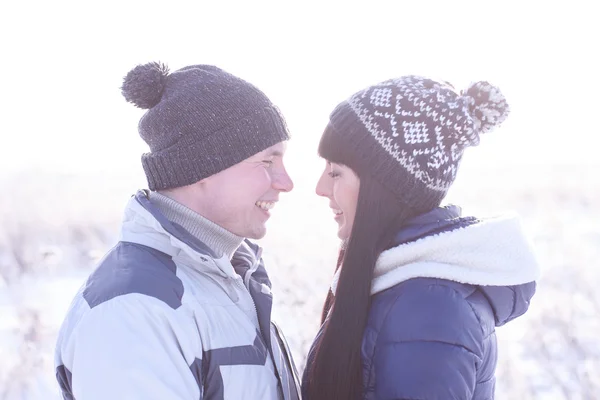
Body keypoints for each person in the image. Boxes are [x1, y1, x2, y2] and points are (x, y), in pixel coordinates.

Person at [54, 62, 301, 399]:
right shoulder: (133, 312)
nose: (286, 182)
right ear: (205, 167)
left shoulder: (229, 279)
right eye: (267, 162)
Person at [302, 76, 540, 399]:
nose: (320, 187)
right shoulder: (399, 284)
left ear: (382, 186)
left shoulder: (430, 312)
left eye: (335, 172)